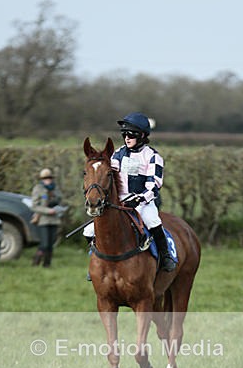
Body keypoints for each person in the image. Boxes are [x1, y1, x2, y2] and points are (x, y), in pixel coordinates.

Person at [83, 112, 176, 272]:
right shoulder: (118, 154)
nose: (127, 137)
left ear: (142, 135)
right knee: (89, 230)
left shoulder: (152, 156)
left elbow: (155, 185)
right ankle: (98, 264)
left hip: (143, 203)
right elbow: (109, 177)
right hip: (119, 203)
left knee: (152, 221)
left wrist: (139, 199)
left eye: (131, 134)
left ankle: (165, 256)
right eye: (124, 134)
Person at [30, 168, 68, 267]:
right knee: (44, 244)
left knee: (51, 244)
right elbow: (34, 206)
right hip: (43, 219)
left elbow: (60, 199)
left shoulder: (56, 189)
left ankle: (47, 264)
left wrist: (59, 208)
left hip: (55, 219)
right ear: (42, 179)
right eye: (46, 178)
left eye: (50, 178)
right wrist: (48, 211)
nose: (48, 180)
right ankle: (36, 262)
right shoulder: (38, 189)